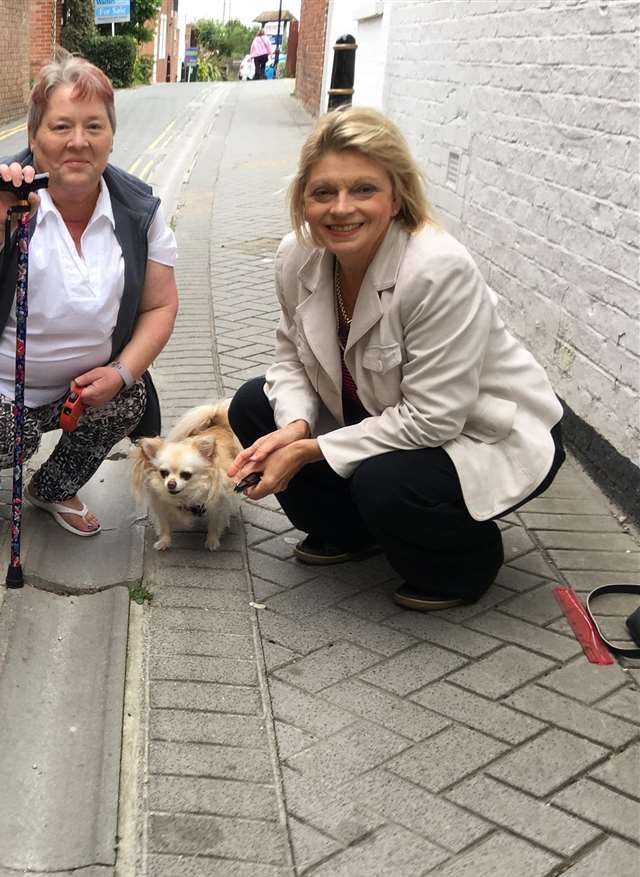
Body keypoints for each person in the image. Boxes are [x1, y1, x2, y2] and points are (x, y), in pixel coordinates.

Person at [227, 107, 565, 611]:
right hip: (377, 410)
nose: (342, 208)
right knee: (254, 405)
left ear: (396, 196)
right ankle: (351, 531)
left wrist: (309, 451)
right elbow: (290, 362)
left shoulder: (438, 270)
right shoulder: (295, 256)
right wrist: (296, 427)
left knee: (386, 481)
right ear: (304, 201)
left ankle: (466, 563)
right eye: (324, 192)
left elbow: (434, 418)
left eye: (363, 189)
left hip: (482, 428)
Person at [0, 53, 179, 536]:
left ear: (111, 136)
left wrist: (121, 371)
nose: (78, 141)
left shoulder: (138, 208)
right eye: (61, 127)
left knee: (130, 396)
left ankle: (51, 488)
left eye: (94, 126)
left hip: (83, 390)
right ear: (34, 137)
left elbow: (160, 305)